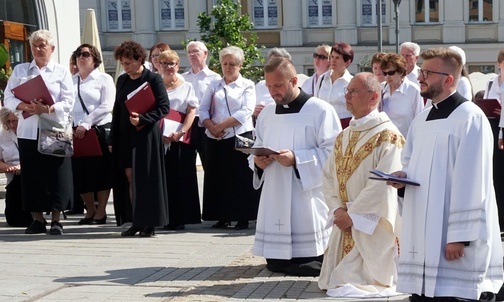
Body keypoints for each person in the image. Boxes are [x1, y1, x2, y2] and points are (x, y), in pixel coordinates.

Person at [389, 47, 503, 301]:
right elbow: (409, 164)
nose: (420, 77)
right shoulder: (421, 119)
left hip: (454, 237)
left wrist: (460, 237)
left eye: (427, 72)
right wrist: (402, 180)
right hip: (423, 226)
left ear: (448, 79)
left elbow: (474, 181)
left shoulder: (470, 118)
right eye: (421, 71)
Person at [251, 57, 341, 276]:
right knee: (276, 263)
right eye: (269, 86)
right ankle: (277, 256)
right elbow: (257, 145)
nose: (273, 92)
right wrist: (257, 162)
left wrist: (297, 159)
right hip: (274, 188)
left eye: (278, 85)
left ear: (293, 80)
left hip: (306, 193)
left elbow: (334, 154)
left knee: (308, 259)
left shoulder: (320, 110)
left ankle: (313, 258)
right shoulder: (266, 114)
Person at [318, 72, 404, 297]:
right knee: (334, 282)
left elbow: (382, 183)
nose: (347, 96)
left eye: (353, 91)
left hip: (370, 226)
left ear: (373, 97)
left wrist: (352, 215)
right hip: (343, 220)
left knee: (353, 283)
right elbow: (328, 177)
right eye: (347, 91)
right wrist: (337, 209)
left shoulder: (388, 136)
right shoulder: (344, 135)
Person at [4, 29, 74, 235]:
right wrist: (24, 106)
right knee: (32, 176)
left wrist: (48, 109)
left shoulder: (61, 71)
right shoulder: (21, 70)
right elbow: (8, 97)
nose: (38, 48)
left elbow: (69, 101)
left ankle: (56, 220)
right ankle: (37, 219)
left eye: (42, 44)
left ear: (52, 48)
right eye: (34, 45)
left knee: (56, 175)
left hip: (54, 129)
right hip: (28, 130)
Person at [110, 40, 170, 237]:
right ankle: (136, 220)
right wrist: (112, 138)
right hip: (126, 135)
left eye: (127, 62)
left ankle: (149, 222)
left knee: (145, 178)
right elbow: (117, 110)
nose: (125, 67)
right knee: (129, 178)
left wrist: (143, 119)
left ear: (138, 59)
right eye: (122, 63)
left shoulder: (153, 79)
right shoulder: (122, 80)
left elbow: (163, 108)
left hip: (145, 135)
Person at [199, 46, 260, 230]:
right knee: (219, 177)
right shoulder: (214, 85)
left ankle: (243, 217)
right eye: (225, 64)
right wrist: (211, 127)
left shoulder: (247, 84)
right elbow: (202, 109)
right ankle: (222, 216)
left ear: (240, 65)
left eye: (232, 64)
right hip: (216, 137)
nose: (228, 67)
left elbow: (247, 110)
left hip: (240, 135)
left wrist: (222, 126)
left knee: (241, 177)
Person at [72, 43, 115, 225]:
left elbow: (107, 105)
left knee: (101, 173)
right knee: (80, 173)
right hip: (75, 133)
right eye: (78, 54)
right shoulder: (71, 80)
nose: (81, 57)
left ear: (95, 58)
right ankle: (89, 210)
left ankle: (101, 211)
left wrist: (86, 123)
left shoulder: (103, 78)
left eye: (86, 54)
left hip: (97, 130)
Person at [159, 50, 200, 231]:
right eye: (165, 63)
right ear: (159, 65)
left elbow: (191, 111)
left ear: (178, 65)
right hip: (160, 138)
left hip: (179, 137)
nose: (169, 67)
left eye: (172, 63)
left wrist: (182, 131)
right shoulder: (155, 85)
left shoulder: (187, 86)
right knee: (162, 179)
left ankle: (180, 218)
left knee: (180, 178)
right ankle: (163, 216)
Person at [181, 41, 221, 170]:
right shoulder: (182, 78)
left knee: (209, 163)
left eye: (195, 51)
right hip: (187, 123)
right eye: (189, 52)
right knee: (186, 164)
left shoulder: (215, 78)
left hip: (206, 124)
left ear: (205, 54)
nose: (192, 54)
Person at [483, 49, 504, 233]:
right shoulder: (491, 83)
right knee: (495, 173)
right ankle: (498, 218)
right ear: (499, 64)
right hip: (493, 126)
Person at [0, 108, 33, 227]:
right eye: (8, 122)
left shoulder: (30, 132)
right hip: (13, 175)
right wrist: (10, 167)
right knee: (13, 219)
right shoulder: (2, 135)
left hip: (30, 171)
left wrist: (23, 166)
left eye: (15, 121)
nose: (12, 125)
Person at [380, 53, 424, 138]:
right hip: (385, 142)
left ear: (401, 71)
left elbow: (419, 119)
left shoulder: (413, 90)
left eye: (391, 72)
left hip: (405, 141)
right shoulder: (381, 88)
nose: (388, 76)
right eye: (384, 73)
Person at [315, 42, 353, 128]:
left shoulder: (351, 82)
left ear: (347, 62)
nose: (333, 60)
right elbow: (316, 103)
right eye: (332, 57)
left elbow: (355, 110)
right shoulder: (322, 79)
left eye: (337, 58)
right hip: (323, 124)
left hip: (343, 126)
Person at [254, 47, 292, 120]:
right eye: (271, 61)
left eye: (276, 62)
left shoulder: (290, 84)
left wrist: (268, 110)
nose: (272, 65)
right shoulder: (260, 85)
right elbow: (249, 106)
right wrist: (253, 110)